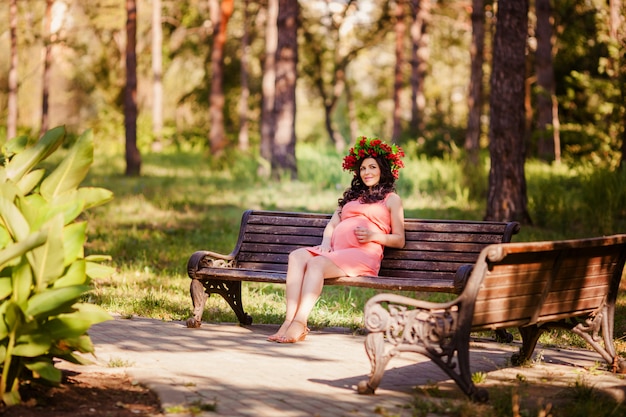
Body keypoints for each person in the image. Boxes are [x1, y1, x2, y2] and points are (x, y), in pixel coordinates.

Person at [268, 136, 406, 343]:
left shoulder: (391, 200)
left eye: (372, 167)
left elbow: (399, 239)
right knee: (297, 256)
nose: (366, 172)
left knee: (315, 264)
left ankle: (300, 323)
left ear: (383, 170)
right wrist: (326, 243)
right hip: (336, 251)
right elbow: (332, 224)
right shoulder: (352, 197)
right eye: (363, 169)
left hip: (363, 255)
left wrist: (373, 236)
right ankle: (288, 321)